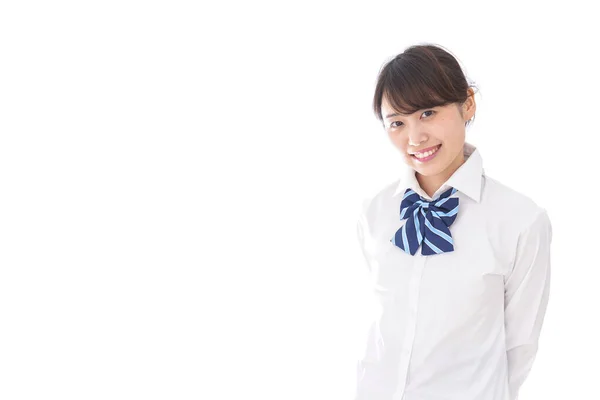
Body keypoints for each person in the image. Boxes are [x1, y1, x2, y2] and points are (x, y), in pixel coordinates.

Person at [355, 43, 552, 400]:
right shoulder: (374, 212)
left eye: (428, 113)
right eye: (397, 122)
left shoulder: (520, 221)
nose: (415, 138)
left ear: (468, 104)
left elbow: (520, 348)